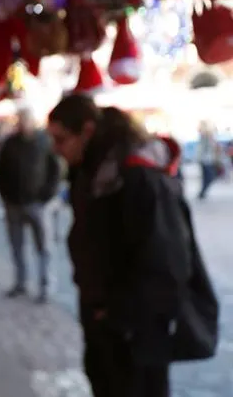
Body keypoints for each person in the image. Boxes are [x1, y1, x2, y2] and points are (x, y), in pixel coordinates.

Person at [47, 94, 218, 397]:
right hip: (108, 322)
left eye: (61, 139)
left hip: (135, 330)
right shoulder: (94, 170)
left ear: (86, 131)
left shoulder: (136, 174)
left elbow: (167, 262)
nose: (56, 150)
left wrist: (119, 315)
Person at [0, 108, 61, 303]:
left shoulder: (44, 142)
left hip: (38, 203)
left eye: (27, 120)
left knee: (44, 247)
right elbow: (1, 170)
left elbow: (55, 169)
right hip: (13, 203)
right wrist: (5, 194)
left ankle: (46, 285)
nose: (23, 124)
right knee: (17, 246)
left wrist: (47, 194)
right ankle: (21, 282)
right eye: (21, 120)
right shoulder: (10, 144)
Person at [197, 122, 222, 200]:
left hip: (208, 160)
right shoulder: (205, 137)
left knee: (208, 177)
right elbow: (202, 150)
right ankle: (202, 192)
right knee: (209, 176)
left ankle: (202, 192)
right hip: (205, 161)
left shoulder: (210, 138)